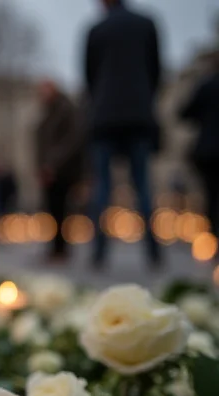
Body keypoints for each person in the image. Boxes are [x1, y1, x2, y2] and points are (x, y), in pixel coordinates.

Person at [85, 0, 161, 268]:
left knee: (103, 187)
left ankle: (99, 252)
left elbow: (90, 77)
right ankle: (153, 251)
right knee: (142, 185)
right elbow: (155, 70)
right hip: (138, 115)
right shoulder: (146, 24)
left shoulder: (97, 30)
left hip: (105, 118)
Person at [35, 79, 85, 262]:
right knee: (53, 209)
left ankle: (61, 249)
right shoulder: (48, 111)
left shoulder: (65, 109)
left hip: (62, 170)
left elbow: (72, 140)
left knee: (61, 209)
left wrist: (52, 163)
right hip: (50, 169)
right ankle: (55, 248)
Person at [180, 56, 219, 235]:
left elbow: (185, 112)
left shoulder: (206, 85)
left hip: (209, 150)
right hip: (209, 152)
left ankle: (215, 234)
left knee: (211, 194)